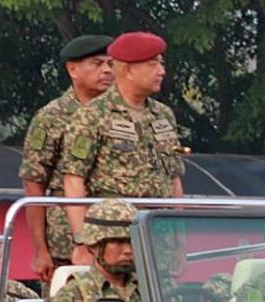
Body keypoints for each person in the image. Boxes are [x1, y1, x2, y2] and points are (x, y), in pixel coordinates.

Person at [62, 31, 184, 254]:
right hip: (114, 238)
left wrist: (179, 240)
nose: (161, 71)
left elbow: (174, 178)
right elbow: (73, 180)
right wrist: (82, 240)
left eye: (161, 64)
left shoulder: (163, 115)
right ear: (128, 70)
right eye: (153, 64)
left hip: (160, 237)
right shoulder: (92, 115)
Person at [19, 34, 114, 281]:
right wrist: (40, 250)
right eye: (97, 63)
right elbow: (34, 184)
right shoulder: (51, 117)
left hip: (118, 235)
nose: (106, 70)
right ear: (72, 69)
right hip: (66, 244)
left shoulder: (120, 114)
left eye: (111, 64)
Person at [52, 199, 143, 302]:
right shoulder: (74, 294)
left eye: (132, 241)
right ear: (94, 246)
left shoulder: (148, 288)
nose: (128, 250)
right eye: (118, 242)